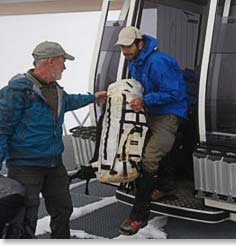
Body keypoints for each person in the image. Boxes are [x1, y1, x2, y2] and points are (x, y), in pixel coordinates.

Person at [0, 41, 107, 239]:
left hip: (54, 163)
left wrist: (93, 97)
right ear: (51, 61)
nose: (65, 67)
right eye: (62, 61)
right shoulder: (17, 91)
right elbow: (2, 128)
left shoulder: (55, 89)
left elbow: (68, 101)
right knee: (25, 216)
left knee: (63, 208)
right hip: (25, 165)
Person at [116, 26, 188, 235]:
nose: (125, 52)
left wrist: (145, 100)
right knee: (140, 148)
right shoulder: (134, 59)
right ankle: (165, 186)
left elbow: (173, 92)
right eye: (122, 47)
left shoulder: (157, 62)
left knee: (148, 158)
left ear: (140, 43)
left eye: (128, 47)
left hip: (169, 112)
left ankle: (138, 216)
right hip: (150, 110)